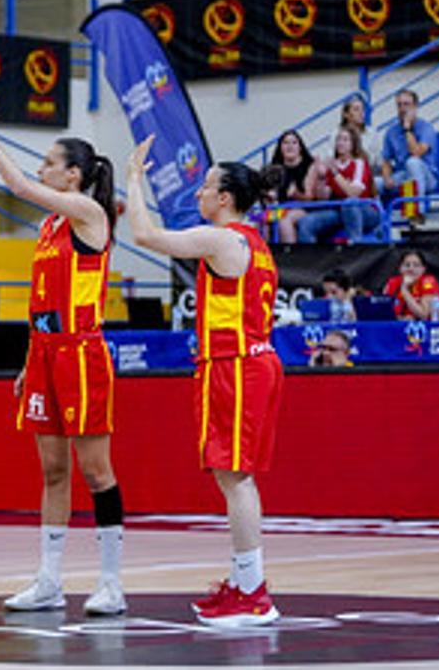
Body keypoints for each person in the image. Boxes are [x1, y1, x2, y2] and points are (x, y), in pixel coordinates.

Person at [125, 137, 283, 627]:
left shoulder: (222, 239)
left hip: (236, 364)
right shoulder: (250, 242)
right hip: (242, 363)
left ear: (226, 199)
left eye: (206, 186)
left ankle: (253, 592)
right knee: (232, 476)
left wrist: (132, 177)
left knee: (235, 478)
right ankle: (244, 580)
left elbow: (145, 235)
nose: (199, 193)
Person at [0, 129, 125, 616]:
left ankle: (111, 582)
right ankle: (49, 580)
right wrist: (29, 362)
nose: (41, 168)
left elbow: (21, 187)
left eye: (49, 162)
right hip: (45, 352)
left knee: (96, 470)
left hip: (81, 352)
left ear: (74, 175)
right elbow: (39, 303)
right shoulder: (48, 228)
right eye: (41, 162)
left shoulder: (90, 214)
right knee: (53, 470)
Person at [299, 126, 380, 243]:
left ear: (353, 144)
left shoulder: (359, 163)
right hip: (339, 210)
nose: (340, 143)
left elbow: (353, 193)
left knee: (349, 203)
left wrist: (335, 172)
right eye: (339, 139)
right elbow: (323, 197)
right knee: (306, 222)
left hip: (365, 210)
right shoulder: (333, 164)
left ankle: (356, 246)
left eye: (345, 140)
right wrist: (321, 177)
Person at [380, 90, 437, 213]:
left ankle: (416, 213)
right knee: (375, 183)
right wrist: (386, 178)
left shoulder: (426, 128)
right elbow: (386, 160)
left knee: (412, 163)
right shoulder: (391, 132)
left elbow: (416, 152)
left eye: (406, 104)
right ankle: (375, 221)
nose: (402, 108)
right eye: (399, 105)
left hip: (426, 177)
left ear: (415, 107)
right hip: (402, 176)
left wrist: (407, 129)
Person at [269, 130, 319, 244]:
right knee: (262, 222)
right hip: (281, 208)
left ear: (300, 147)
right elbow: (270, 193)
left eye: (294, 142)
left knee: (284, 221)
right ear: (280, 147)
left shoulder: (309, 165)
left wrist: (296, 193)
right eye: (286, 143)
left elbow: (309, 197)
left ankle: (290, 257)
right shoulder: (274, 168)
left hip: (303, 208)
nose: (289, 146)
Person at [327, 94, 383, 173]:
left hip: (367, 174)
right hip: (342, 175)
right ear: (346, 114)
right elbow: (331, 158)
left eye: (362, 109)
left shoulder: (372, 132)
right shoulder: (336, 134)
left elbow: (378, 161)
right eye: (356, 109)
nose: (361, 113)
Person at [383, 250, 439, 321]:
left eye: (416, 265)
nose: (411, 269)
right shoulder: (393, 282)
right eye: (407, 265)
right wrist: (401, 319)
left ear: (423, 269)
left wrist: (404, 289)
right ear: (400, 268)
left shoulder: (428, 282)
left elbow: (423, 315)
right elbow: (384, 313)